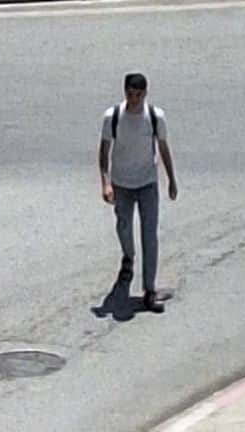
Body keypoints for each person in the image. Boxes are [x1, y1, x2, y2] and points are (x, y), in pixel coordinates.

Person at [99, 71, 177, 313]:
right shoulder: (113, 117)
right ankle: (128, 258)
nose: (133, 99)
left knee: (149, 235)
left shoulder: (154, 117)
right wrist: (106, 183)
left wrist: (172, 180)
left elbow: (163, 148)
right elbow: (103, 151)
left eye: (138, 95)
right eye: (130, 94)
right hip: (122, 183)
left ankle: (149, 290)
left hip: (147, 183)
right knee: (123, 228)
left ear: (145, 94)